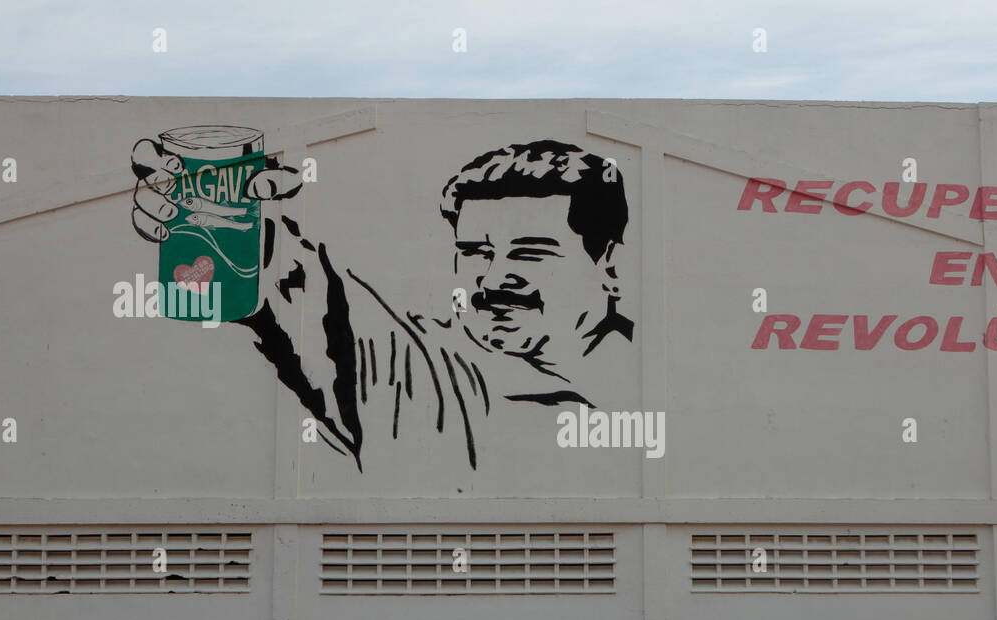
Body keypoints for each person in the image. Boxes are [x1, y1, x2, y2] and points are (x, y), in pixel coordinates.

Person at [130, 137, 632, 473]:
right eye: (475, 252)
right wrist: (241, 227)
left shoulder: (669, 381)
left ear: (608, 262)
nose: (495, 278)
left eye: (530, 252)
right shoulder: (421, 371)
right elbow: (315, 302)